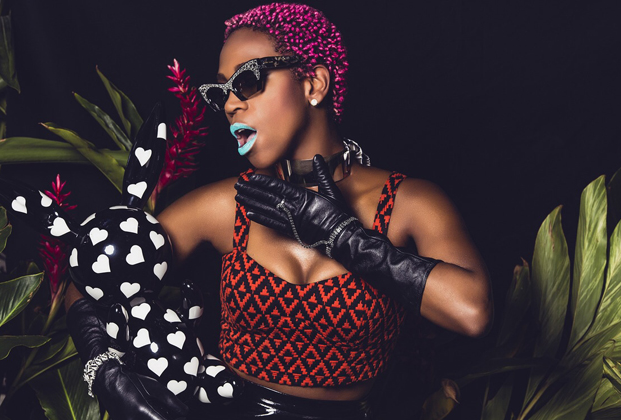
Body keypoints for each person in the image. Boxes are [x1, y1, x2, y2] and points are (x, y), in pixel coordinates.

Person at [65, 3, 492, 419]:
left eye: (247, 81)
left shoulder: (406, 203)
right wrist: (103, 372)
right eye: (221, 92)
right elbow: (91, 273)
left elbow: (472, 312)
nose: (230, 104)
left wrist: (344, 237)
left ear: (313, 84)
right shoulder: (227, 205)